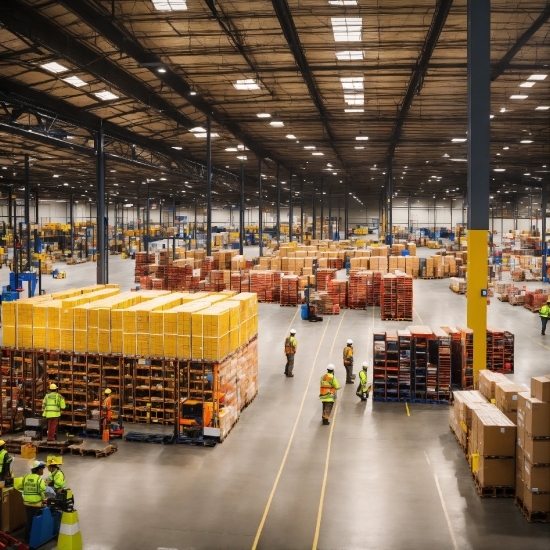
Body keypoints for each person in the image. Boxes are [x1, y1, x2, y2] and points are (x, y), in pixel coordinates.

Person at [14, 460, 47, 546]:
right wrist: (44, 499)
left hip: (27, 503)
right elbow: (42, 491)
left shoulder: (25, 477)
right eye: (42, 469)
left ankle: (26, 539)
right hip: (36, 504)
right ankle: (35, 540)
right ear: (39, 469)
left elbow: (20, 486)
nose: (43, 471)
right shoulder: (39, 480)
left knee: (29, 521)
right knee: (36, 522)